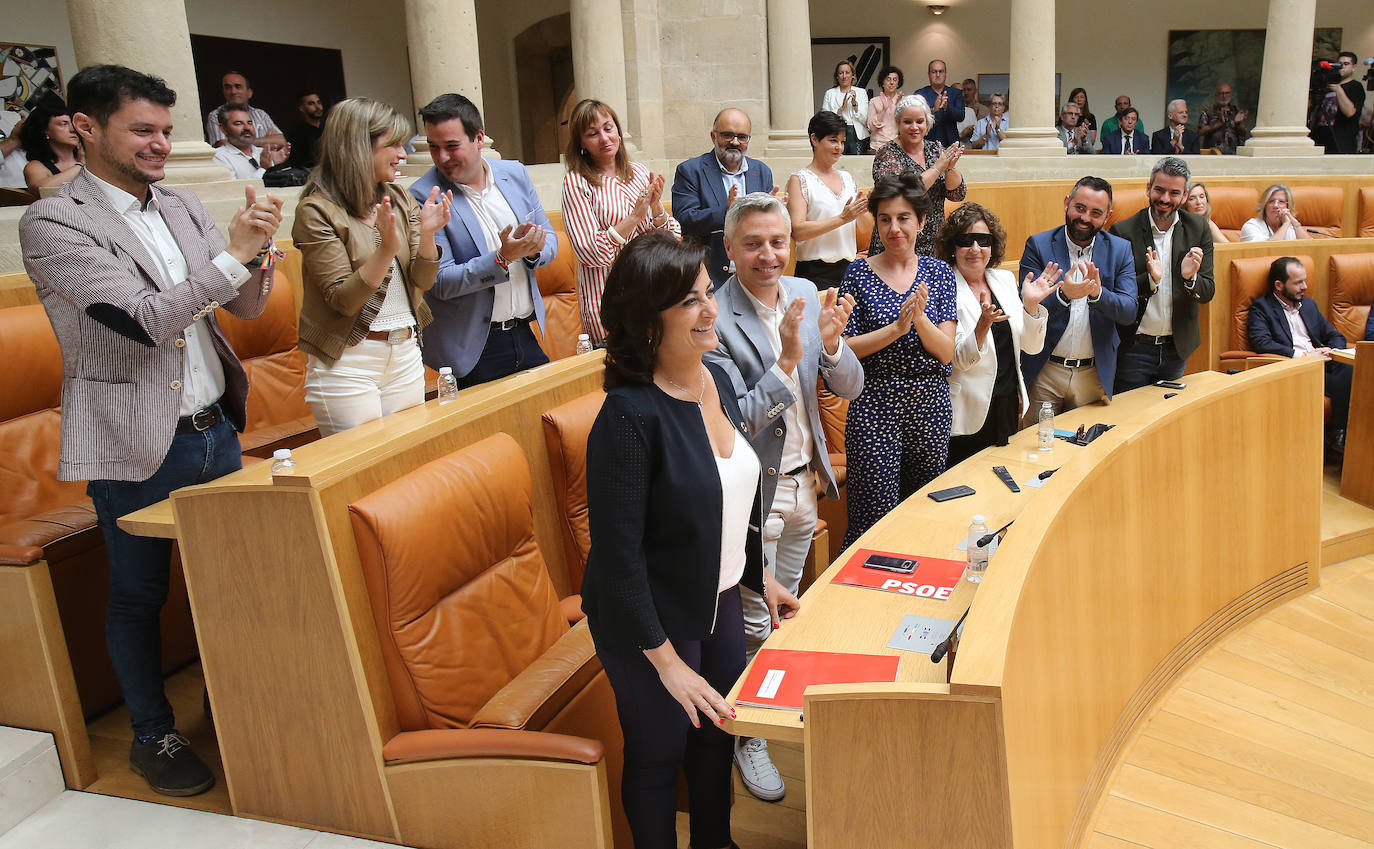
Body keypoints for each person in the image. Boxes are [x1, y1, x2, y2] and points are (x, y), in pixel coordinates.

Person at [19, 64, 283, 796]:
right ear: (84, 128)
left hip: (213, 424)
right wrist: (233, 257)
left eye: (167, 130)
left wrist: (257, 257)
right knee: (140, 594)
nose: (160, 144)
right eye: (142, 130)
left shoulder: (181, 203)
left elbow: (245, 310)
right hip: (137, 441)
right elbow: (145, 318)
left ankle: (234, 709)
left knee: (230, 584)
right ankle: (151, 734)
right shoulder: (54, 221)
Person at [581, 230, 799, 849]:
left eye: (708, 293)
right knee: (659, 751)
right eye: (689, 302)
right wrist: (668, 665)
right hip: (644, 618)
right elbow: (619, 563)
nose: (711, 310)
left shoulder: (716, 381)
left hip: (718, 596)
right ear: (648, 323)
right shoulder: (627, 417)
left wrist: (762, 578)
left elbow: (729, 499)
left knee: (715, 736)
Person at [705, 193, 863, 802]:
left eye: (777, 242)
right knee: (754, 628)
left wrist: (829, 345)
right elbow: (732, 422)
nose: (769, 256)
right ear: (729, 248)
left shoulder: (802, 289)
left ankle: (766, 711)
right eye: (753, 244)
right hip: (754, 499)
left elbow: (851, 384)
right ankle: (752, 738)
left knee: (782, 612)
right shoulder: (713, 319)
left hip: (807, 483)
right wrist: (791, 358)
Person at [291, 97, 453, 436]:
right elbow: (343, 300)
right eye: (392, 144)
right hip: (348, 362)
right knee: (362, 475)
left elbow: (423, 280)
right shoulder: (316, 210)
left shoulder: (399, 197)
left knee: (408, 463)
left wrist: (426, 235)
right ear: (357, 147)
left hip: (406, 351)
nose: (403, 154)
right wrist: (385, 252)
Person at [839, 173, 957, 548]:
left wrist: (919, 319)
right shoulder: (857, 272)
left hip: (930, 403)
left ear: (921, 222)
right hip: (874, 402)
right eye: (885, 218)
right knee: (873, 516)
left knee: (923, 510)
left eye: (904, 218)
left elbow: (946, 351)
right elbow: (844, 349)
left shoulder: (938, 273)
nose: (894, 228)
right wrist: (895, 328)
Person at [410, 92, 557, 388]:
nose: (442, 158)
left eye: (452, 146)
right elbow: (439, 282)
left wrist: (531, 250)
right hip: (474, 347)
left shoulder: (514, 174)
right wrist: (502, 258)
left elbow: (550, 239)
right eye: (434, 148)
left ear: (478, 138)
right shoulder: (425, 194)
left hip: (525, 331)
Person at [937, 203, 1057, 466]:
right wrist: (982, 326)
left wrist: (1032, 306)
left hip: (1007, 404)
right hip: (967, 411)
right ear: (952, 247)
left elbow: (1032, 347)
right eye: (966, 241)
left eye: (983, 240)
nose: (976, 249)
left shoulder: (1002, 279)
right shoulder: (945, 287)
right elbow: (957, 360)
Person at [1017, 176, 1137, 421]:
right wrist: (1063, 295)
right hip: (1045, 370)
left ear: (1107, 216)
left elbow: (1128, 311)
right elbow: (1026, 310)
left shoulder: (1120, 249)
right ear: (1066, 204)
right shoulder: (1038, 245)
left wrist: (1098, 295)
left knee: (1085, 454)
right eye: (1080, 208)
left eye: (1096, 213)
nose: (1085, 218)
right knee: (1036, 448)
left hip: (1093, 375)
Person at [562, 99, 681, 345]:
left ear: (618, 130)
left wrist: (656, 207)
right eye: (593, 133)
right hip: (607, 300)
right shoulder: (576, 182)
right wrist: (634, 218)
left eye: (608, 128)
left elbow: (673, 239)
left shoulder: (638, 172)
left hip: (651, 293)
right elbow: (592, 253)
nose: (604, 138)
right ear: (581, 143)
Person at [1109, 157, 1216, 393]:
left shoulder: (1198, 228)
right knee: (1130, 418)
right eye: (1159, 190)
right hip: (1134, 348)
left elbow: (1207, 291)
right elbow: (1116, 292)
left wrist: (1190, 279)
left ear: (1185, 196)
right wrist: (1150, 280)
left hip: (1176, 349)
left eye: (1174, 192)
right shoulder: (1123, 231)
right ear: (1148, 189)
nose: (1165, 199)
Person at [1247, 256, 1352, 440]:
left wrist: (1332, 350)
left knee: (1356, 371)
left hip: (1323, 364)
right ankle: (1343, 434)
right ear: (1279, 285)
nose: (1304, 286)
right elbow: (1262, 343)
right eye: (1298, 283)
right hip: (1295, 368)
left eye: (1305, 280)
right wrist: (1304, 356)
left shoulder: (1309, 305)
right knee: (1349, 379)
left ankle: (1347, 437)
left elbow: (1334, 336)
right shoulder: (1261, 308)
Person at [672, 107, 775, 286]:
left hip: (755, 273)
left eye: (742, 137)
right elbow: (684, 220)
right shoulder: (690, 171)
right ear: (713, 136)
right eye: (727, 135)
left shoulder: (761, 171)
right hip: (710, 277)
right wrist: (728, 212)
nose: (735, 142)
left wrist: (775, 212)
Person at [869, 94, 966, 258]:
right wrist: (938, 167)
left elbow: (957, 194)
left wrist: (950, 168)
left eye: (919, 121)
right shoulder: (887, 153)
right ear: (898, 123)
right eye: (907, 122)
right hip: (897, 242)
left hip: (934, 245)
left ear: (927, 124)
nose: (914, 127)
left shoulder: (935, 149)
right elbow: (903, 193)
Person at [785, 111, 868, 289]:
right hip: (814, 273)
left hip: (849, 270)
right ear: (814, 139)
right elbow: (798, 230)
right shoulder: (799, 179)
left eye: (842, 142)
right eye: (833, 140)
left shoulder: (847, 178)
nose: (839, 147)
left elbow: (860, 228)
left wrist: (863, 212)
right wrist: (842, 218)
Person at [204, 71, 285, 148]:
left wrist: (245, 142)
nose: (233, 91)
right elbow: (223, 145)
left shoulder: (260, 114)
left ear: (249, 93)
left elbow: (282, 140)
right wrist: (266, 141)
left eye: (238, 87)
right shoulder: (216, 115)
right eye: (227, 87)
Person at [18, 102, 83, 196]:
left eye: (72, 124)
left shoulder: (92, 160)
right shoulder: (35, 166)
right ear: (45, 131)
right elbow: (42, 189)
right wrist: (81, 165)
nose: (73, 130)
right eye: (63, 124)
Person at [1310, 51, 1366, 154]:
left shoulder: (1355, 86)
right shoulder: (1326, 86)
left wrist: (1338, 89)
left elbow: (1350, 112)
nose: (1341, 67)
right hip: (1320, 137)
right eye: (1339, 64)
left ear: (1354, 67)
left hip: (1341, 142)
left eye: (1346, 64)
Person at [211, 105, 287, 179]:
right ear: (223, 128)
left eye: (249, 123)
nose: (247, 127)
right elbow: (235, 189)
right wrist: (263, 168)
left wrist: (277, 164)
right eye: (238, 123)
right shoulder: (218, 157)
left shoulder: (262, 153)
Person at [821, 60, 869, 155]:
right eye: (841, 73)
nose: (844, 76)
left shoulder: (861, 92)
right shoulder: (830, 93)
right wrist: (841, 108)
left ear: (852, 75)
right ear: (837, 76)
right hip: (836, 133)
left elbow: (865, 119)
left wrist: (855, 105)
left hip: (857, 135)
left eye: (847, 72)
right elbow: (824, 119)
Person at [914, 59, 965, 148]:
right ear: (929, 74)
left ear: (945, 73)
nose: (938, 75)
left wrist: (947, 107)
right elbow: (915, 118)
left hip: (951, 143)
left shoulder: (956, 93)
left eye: (941, 71)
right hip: (927, 143)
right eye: (934, 72)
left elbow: (961, 116)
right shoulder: (920, 94)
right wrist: (933, 110)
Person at [1240, 183, 1310, 241]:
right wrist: (1286, 224)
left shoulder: (1291, 228)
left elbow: (1309, 247)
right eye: (1271, 201)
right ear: (1265, 206)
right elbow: (1269, 248)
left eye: (1281, 202)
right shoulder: (1251, 226)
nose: (1276, 205)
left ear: (1288, 206)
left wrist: (1294, 223)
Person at [1198, 83, 1248, 154]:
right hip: (1214, 153)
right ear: (1216, 95)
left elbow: (1243, 133)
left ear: (1231, 94)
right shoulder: (1208, 112)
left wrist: (1238, 123)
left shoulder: (1235, 111)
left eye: (1227, 93)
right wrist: (1218, 124)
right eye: (1221, 93)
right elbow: (1201, 132)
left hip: (1233, 153)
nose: (1224, 96)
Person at [866, 65, 905, 150]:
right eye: (888, 79)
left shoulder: (903, 101)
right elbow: (871, 128)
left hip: (897, 145)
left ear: (898, 83)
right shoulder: (874, 101)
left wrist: (899, 108)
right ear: (882, 82)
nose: (891, 82)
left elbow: (905, 126)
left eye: (895, 79)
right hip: (877, 145)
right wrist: (884, 110)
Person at [285, 91, 326, 170]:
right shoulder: (297, 133)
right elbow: (298, 163)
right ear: (302, 108)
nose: (317, 107)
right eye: (311, 103)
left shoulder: (329, 127)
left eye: (319, 102)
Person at [0, 109, 27, 188]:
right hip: (8, 193)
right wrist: (13, 141)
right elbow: (15, 140)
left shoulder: (13, 116)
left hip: (42, 185)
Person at [956, 78, 988, 142]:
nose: (966, 93)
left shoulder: (984, 110)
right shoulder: (957, 109)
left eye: (969, 90)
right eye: (964, 90)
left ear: (975, 91)